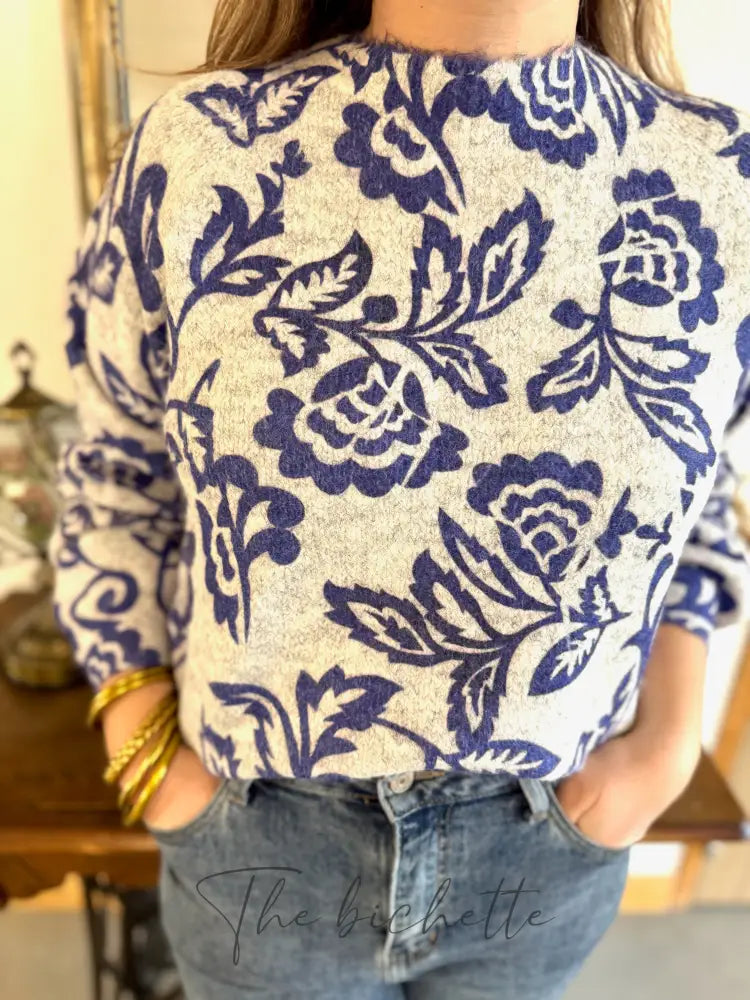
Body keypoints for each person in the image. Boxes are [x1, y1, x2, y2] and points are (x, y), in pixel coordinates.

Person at [49, 0, 750, 996]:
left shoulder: (718, 180)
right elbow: (117, 470)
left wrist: (668, 752)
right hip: (257, 830)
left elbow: (702, 485)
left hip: (549, 837)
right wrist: (149, 754)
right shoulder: (201, 150)